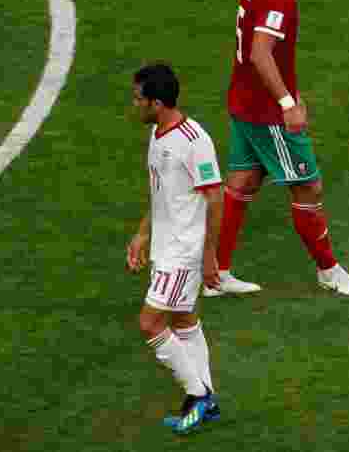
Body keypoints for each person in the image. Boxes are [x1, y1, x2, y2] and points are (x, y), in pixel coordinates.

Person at [210, 0, 349, 297]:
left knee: (242, 183)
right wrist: (287, 102)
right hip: (267, 113)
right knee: (307, 186)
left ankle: (217, 273)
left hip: (244, 102)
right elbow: (260, 51)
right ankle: (329, 271)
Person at [127, 63, 222, 435]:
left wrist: (210, 255)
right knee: (183, 321)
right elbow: (161, 195)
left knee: (150, 323)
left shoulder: (193, 141)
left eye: (139, 99)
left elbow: (215, 198)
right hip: (166, 248)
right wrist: (142, 234)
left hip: (183, 252)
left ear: (159, 102)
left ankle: (199, 396)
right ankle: (206, 400)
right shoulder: (158, 133)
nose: (135, 105)